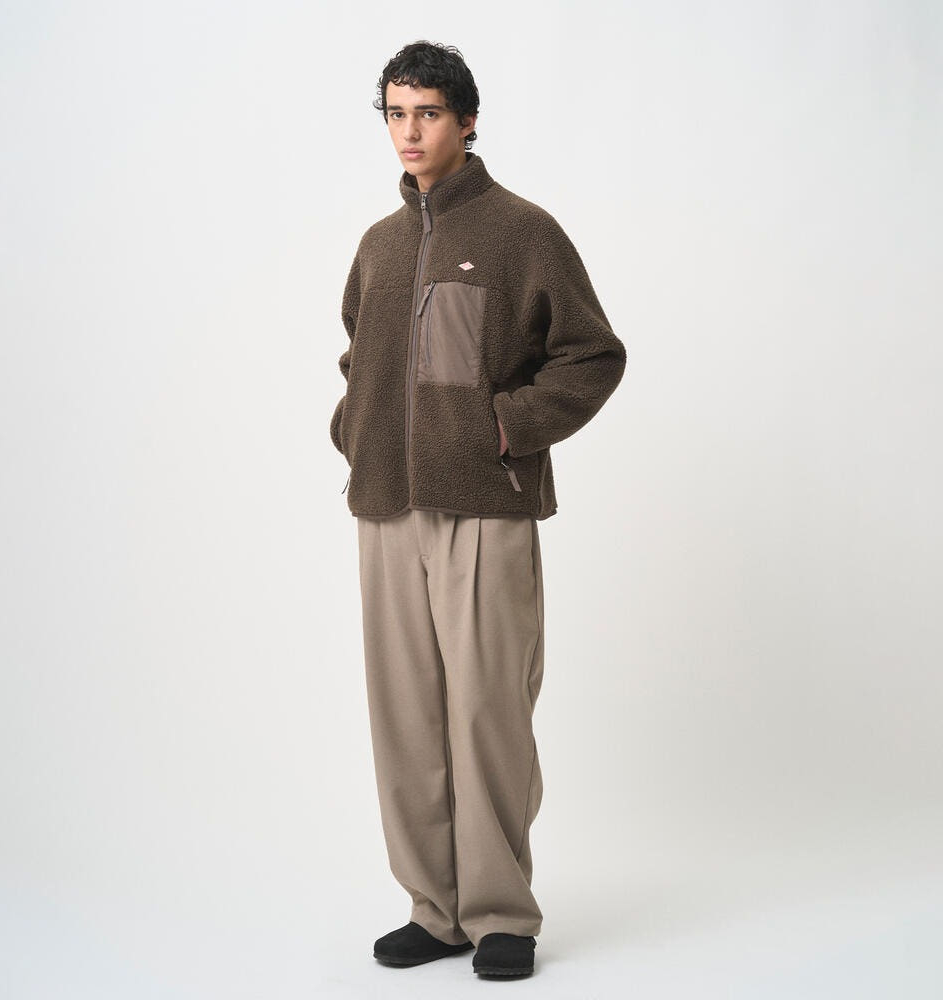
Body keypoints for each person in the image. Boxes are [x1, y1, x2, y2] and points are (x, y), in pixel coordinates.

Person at [330, 40, 626, 978]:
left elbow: (592, 354)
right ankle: (436, 908)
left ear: (466, 121)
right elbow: (358, 359)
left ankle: (500, 914)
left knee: (488, 710)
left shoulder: (522, 232)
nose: (409, 132)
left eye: (427, 113)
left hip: (486, 510)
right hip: (386, 509)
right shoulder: (378, 246)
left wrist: (507, 427)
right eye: (396, 113)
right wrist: (353, 427)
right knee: (406, 718)